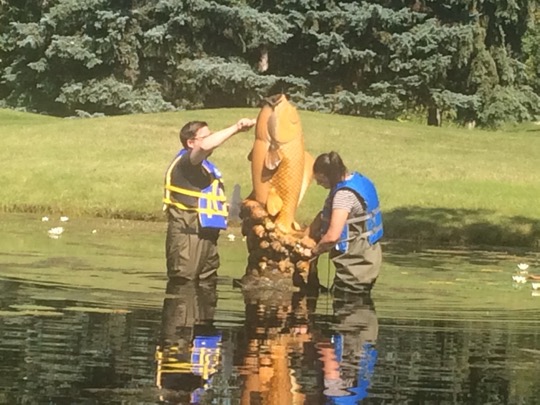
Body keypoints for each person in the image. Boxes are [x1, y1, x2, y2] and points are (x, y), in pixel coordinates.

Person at [163, 118, 256, 282]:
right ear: (191, 143)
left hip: (208, 236)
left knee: (207, 284)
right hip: (188, 238)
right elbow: (205, 146)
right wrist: (236, 127)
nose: (211, 139)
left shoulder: (206, 167)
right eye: (206, 136)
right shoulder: (186, 162)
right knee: (184, 286)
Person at [305, 151, 383, 293]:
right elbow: (326, 214)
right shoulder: (358, 180)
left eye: (320, 180)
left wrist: (313, 253)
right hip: (370, 256)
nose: (318, 184)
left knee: (347, 304)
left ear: (328, 176)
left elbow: (332, 237)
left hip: (357, 266)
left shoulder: (344, 196)